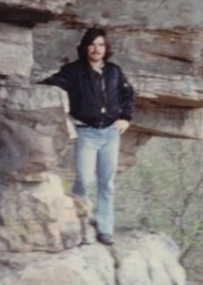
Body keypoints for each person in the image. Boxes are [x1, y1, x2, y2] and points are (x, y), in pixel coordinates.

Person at [41, 28, 134, 245]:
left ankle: (104, 229)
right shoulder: (73, 71)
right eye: (92, 44)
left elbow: (128, 94)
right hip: (86, 133)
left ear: (106, 48)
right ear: (85, 47)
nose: (96, 49)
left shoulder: (114, 71)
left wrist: (126, 118)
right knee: (83, 180)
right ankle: (79, 226)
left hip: (111, 133)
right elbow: (52, 84)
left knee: (107, 183)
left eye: (101, 45)